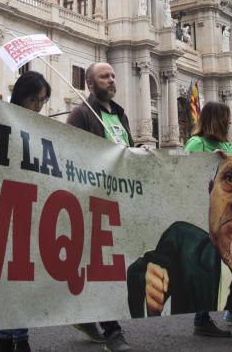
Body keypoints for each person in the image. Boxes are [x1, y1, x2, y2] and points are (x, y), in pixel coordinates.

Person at [127, 155, 232, 337]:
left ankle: (211, 321)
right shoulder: (183, 242)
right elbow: (145, 272)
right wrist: (148, 286)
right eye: (229, 179)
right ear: (211, 190)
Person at [65, 62, 133, 352]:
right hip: (92, 200)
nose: (112, 80)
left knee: (106, 267)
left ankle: (84, 315)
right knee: (102, 267)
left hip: (120, 199)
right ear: (90, 84)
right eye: (104, 76)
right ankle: (112, 330)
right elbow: (69, 152)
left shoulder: (120, 114)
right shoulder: (81, 114)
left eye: (113, 75)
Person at [0, 71, 51, 352]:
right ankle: (12, 337)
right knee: (11, 277)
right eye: (34, 100)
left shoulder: (40, 125)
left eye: (42, 101)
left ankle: (13, 336)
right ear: (21, 96)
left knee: (22, 276)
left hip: (31, 207)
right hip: (5, 205)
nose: (38, 107)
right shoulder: (4, 116)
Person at [182, 102, 232, 339]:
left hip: (227, 215)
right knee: (218, 267)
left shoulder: (227, 145)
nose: (229, 122)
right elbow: (183, 173)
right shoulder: (196, 143)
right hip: (202, 213)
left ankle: (202, 319)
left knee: (221, 268)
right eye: (226, 118)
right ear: (215, 119)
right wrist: (207, 161)